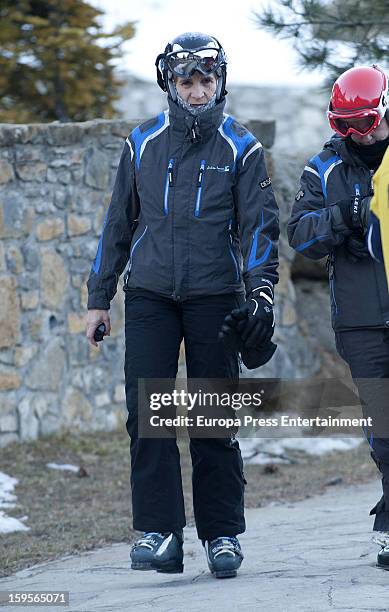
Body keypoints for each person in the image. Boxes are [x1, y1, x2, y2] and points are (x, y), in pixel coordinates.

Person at [85, 32, 279, 579]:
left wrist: (260, 294)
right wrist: (100, 298)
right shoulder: (141, 142)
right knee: (147, 417)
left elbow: (261, 230)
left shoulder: (243, 148)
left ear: (221, 83)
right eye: (186, 81)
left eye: (206, 81)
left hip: (216, 296)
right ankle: (161, 533)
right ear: (169, 83)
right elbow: (117, 223)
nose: (197, 91)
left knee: (212, 419)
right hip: (149, 295)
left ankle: (222, 537)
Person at [287, 64, 389, 569]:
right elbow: (300, 235)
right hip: (360, 319)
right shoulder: (322, 168)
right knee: (384, 428)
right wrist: (342, 217)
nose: (354, 135)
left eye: (364, 122)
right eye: (343, 124)